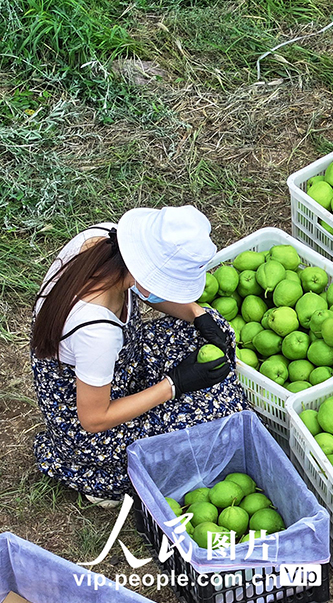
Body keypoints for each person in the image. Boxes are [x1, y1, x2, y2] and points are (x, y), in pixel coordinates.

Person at [30, 206, 249, 507]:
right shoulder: (97, 331)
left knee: (208, 332)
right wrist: (173, 385)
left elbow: (150, 291)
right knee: (215, 417)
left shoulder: (107, 243)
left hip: (120, 364)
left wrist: (197, 315)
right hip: (89, 429)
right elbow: (94, 419)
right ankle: (94, 475)